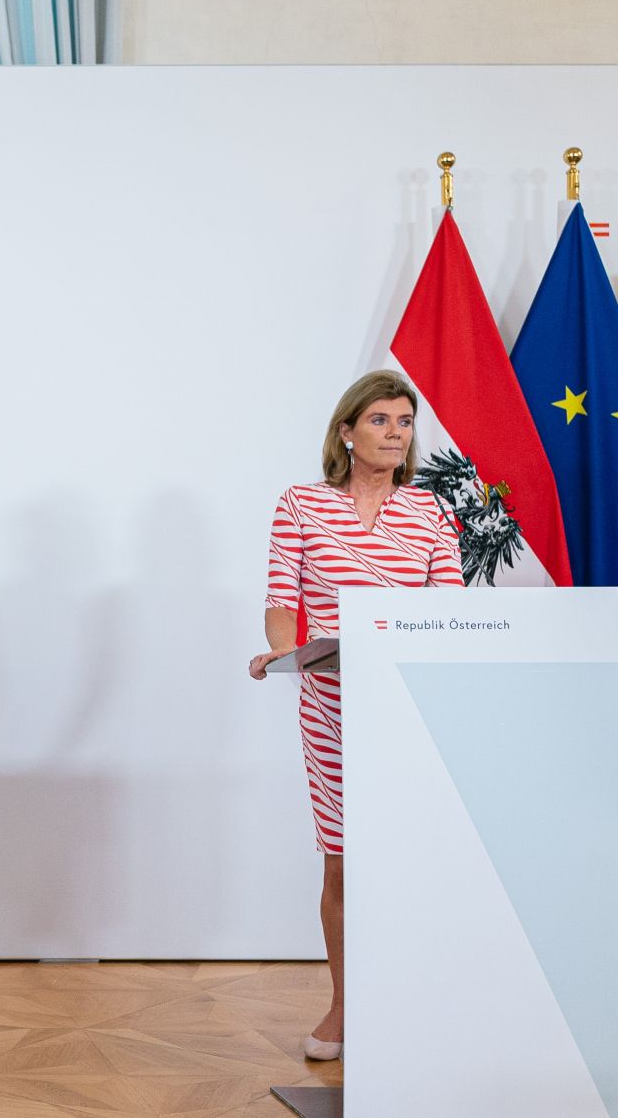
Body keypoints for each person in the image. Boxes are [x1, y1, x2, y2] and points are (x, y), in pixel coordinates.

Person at [249, 369, 462, 1062]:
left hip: (411, 709)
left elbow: (450, 612)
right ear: (346, 431)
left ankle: (411, 1004)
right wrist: (283, 651)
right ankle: (344, 1006)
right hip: (331, 707)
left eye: (404, 421)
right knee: (342, 865)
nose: (395, 433)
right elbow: (282, 603)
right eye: (379, 420)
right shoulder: (302, 505)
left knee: (411, 860)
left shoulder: (432, 511)